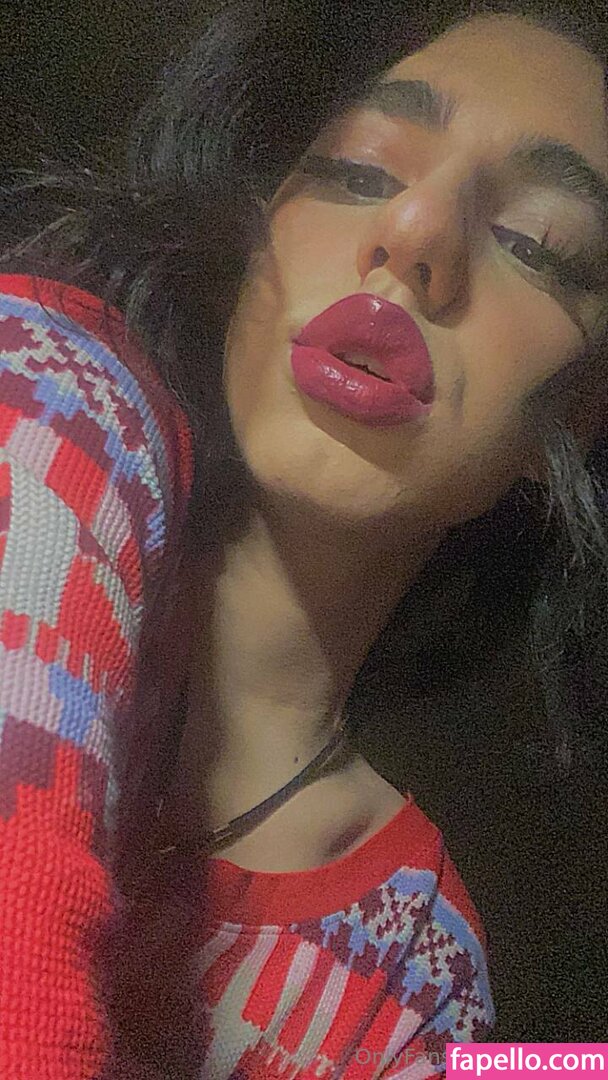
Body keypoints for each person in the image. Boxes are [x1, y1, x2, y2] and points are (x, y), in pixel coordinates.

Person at [1, 0, 607, 1075]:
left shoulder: (416, 972)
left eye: (534, 243)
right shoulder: (48, 388)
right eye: (360, 169)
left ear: (574, 417)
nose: (415, 232)